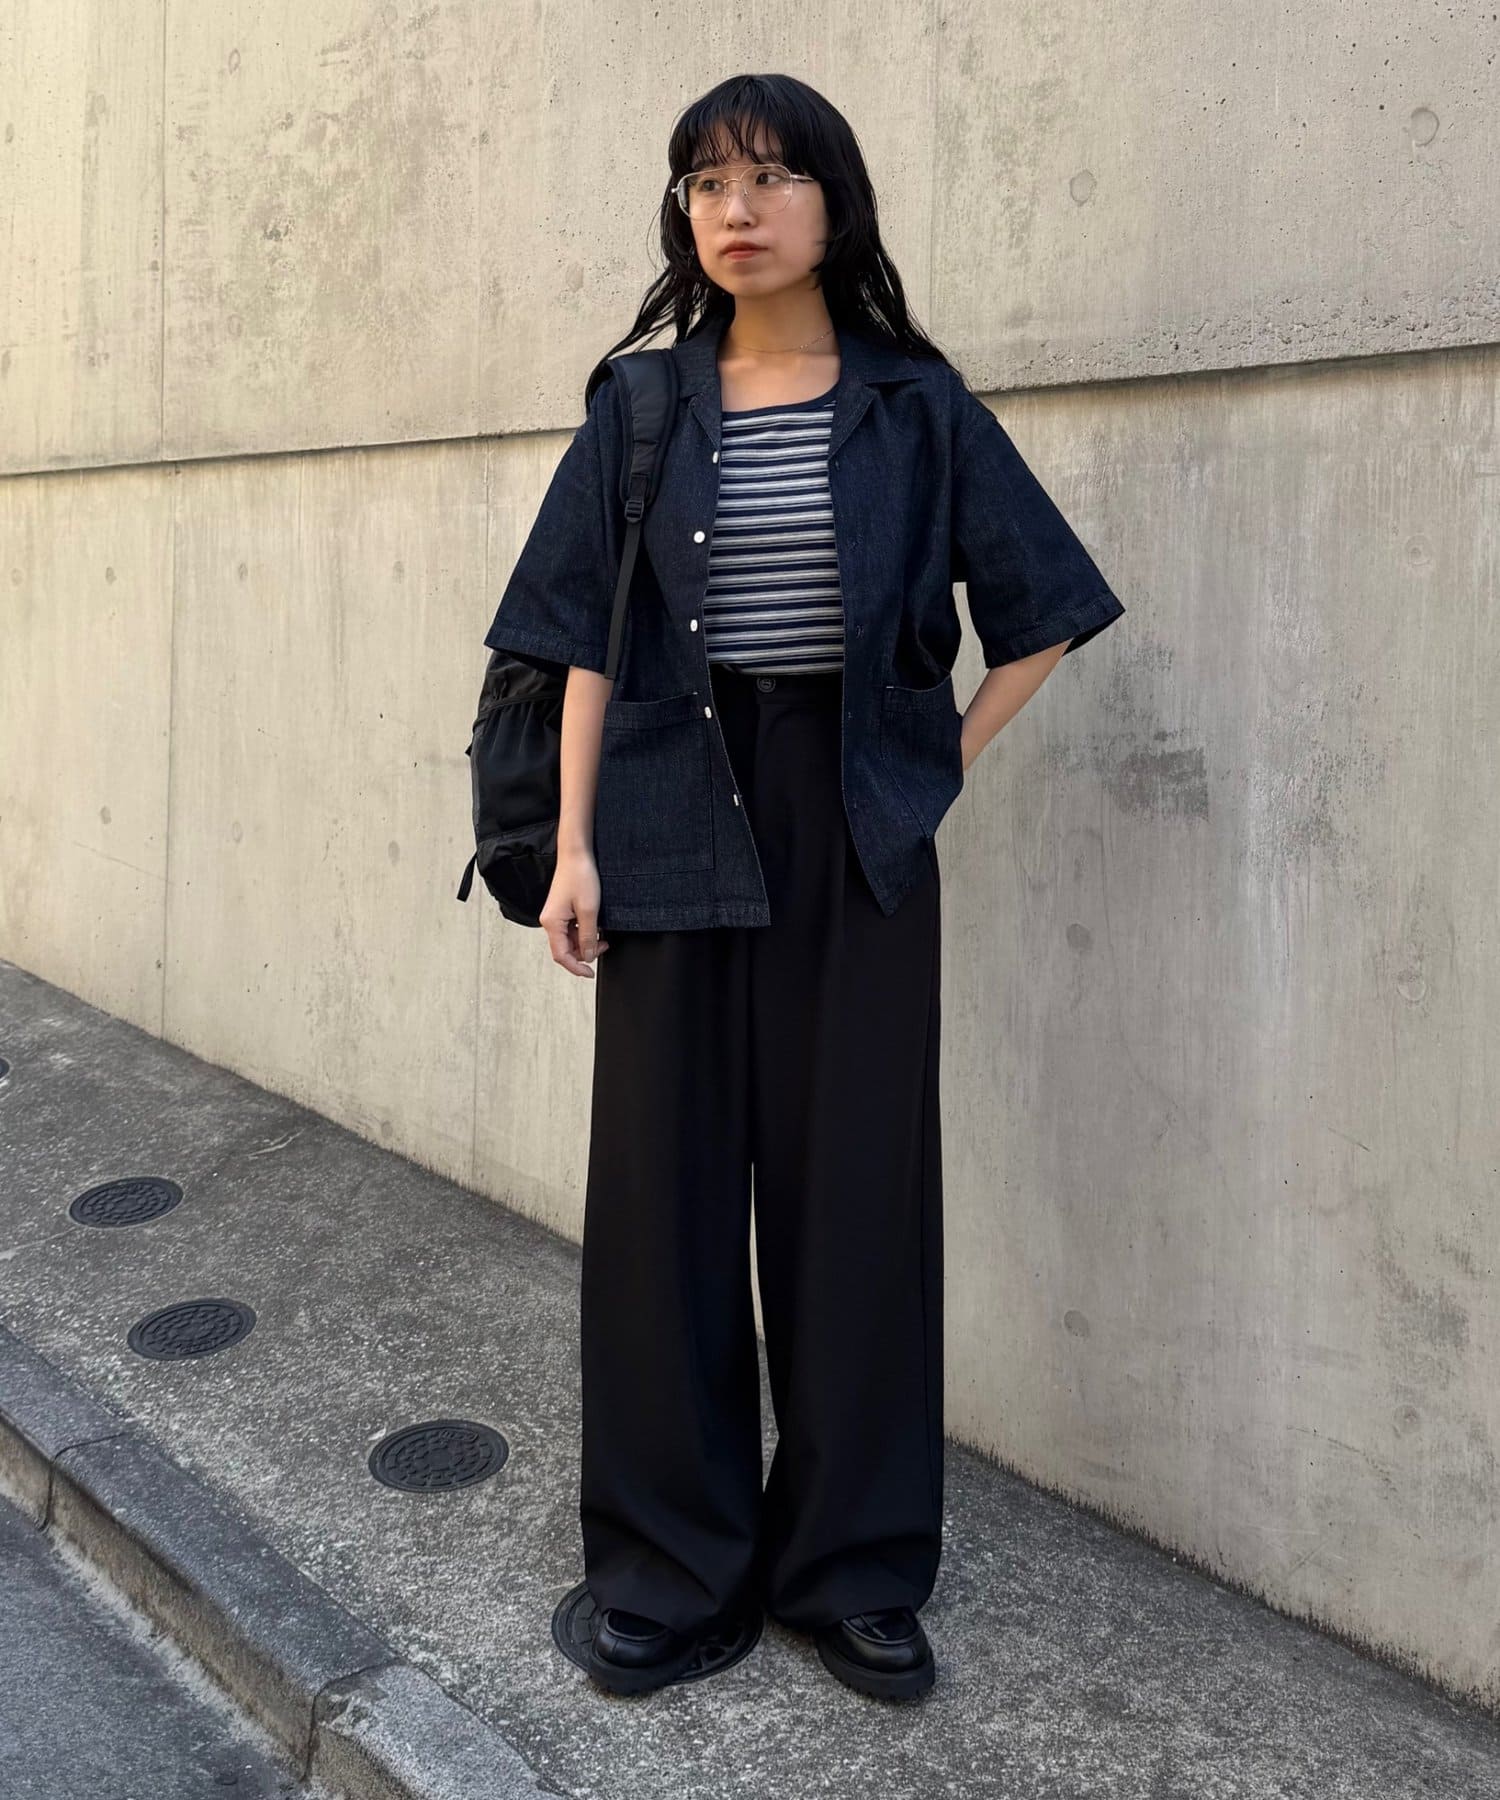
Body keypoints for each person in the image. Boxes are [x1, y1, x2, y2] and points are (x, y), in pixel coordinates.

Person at [481, 73, 1126, 1701]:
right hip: (665, 805)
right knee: (665, 1199)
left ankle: (855, 1567)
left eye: (769, 177)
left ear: (835, 205)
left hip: (853, 819)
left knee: (857, 1199)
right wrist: (570, 846)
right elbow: (576, 637)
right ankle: (668, 1560)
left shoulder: (915, 403)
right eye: (706, 181)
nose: (735, 209)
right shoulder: (642, 406)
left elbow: (1041, 608)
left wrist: (930, 764)